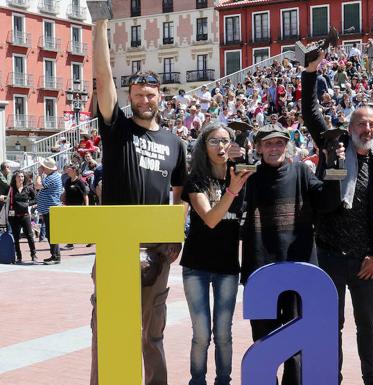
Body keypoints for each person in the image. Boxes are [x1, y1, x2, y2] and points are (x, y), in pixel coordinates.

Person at [92, 19, 188, 385]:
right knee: (108, 328)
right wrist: (100, 25)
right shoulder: (117, 129)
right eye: (138, 95)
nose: (144, 100)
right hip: (117, 246)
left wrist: (176, 234)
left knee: (152, 333)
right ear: (129, 98)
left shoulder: (175, 143)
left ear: (160, 97)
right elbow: (102, 77)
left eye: (150, 95)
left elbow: (179, 194)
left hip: (157, 251)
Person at [302, 51, 373, 385]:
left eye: (371, 124)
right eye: (360, 123)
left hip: (364, 261)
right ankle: (331, 378)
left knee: (367, 325)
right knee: (330, 324)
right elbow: (312, 115)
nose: (366, 128)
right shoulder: (334, 146)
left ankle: (372, 379)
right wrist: (310, 73)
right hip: (328, 254)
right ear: (349, 126)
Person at [240, 124, 343, 385]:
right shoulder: (249, 176)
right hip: (262, 269)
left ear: (286, 146)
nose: (274, 148)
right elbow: (232, 196)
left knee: (297, 343)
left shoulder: (301, 171)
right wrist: (235, 157)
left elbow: (329, 202)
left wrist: (334, 165)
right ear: (259, 147)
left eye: (279, 143)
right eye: (268, 143)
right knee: (263, 338)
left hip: (299, 270)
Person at [181, 124, 252, 385]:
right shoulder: (196, 179)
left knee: (223, 333)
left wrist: (244, 162)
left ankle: (224, 380)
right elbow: (210, 219)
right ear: (203, 146)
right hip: (196, 266)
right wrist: (232, 189)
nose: (220, 146)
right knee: (201, 334)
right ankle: (197, 380)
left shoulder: (241, 174)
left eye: (225, 140)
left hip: (227, 266)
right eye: (214, 141)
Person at [3, 170, 37, 263]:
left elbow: (35, 199)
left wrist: (28, 204)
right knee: (16, 237)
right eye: (19, 176)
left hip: (25, 215)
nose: (21, 178)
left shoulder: (28, 188)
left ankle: (33, 255)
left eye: (22, 176)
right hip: (13, 217)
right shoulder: (10, 188)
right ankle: (19, 256)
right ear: (15, 178)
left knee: (30, 236)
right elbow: (5, 197)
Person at [34, 158, 63, 264]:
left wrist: (39, 174)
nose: (42, 168)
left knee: (52, 234)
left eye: (43, 167)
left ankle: (56, 256)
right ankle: (54, 255)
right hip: (49, 209)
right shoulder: (52, 176)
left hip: (51, 209)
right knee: (51, 234)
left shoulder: (51, 178)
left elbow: (37, 185)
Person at [61, 164, 89, 250]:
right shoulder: (68, 181)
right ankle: (70, 243)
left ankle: (90, 239)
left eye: (69, 170)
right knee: (70, 226)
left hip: (78, 207)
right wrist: (62, 199)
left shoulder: (80, 182)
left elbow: (85, 195)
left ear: (74, 171)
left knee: (81, 225)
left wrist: (86, 206)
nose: (67, 171)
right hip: (69, 207)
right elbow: (65, 192)